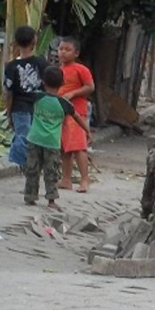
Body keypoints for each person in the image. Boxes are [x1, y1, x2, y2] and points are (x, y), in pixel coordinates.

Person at [24, 66, 91, 210]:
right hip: (52, 143)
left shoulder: (37, 97)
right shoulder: (64, 103)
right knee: (51, 171)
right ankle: (51, 200)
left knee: (32, 169)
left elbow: (22, 97)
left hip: (34, 139)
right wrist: (87, 131)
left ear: (43, 82)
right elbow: (77, 117)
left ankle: (30, 196)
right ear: (62, 83)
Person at [4, 26, 50, 167]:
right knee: (33, 138)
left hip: (19, 107)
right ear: (34, 41)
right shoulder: (42, 63)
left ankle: (23, 163)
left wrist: (8, 112)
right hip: (39, 106)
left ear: (16, 43)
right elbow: (48, 87)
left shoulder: (11, 66)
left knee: (23, 135)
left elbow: (8, 93)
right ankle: (29, 165)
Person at [57, 37, 95, 193]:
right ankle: (66, 179)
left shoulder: (81, 69)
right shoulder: (58, 70)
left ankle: (84, 180)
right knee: (64, 147)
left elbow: (90, 87)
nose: (63, 52)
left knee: (79, 147)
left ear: (76, 53)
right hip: (60, 112)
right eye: (61, 49)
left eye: (67, 50)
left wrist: (73, 93)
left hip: (76, 112)